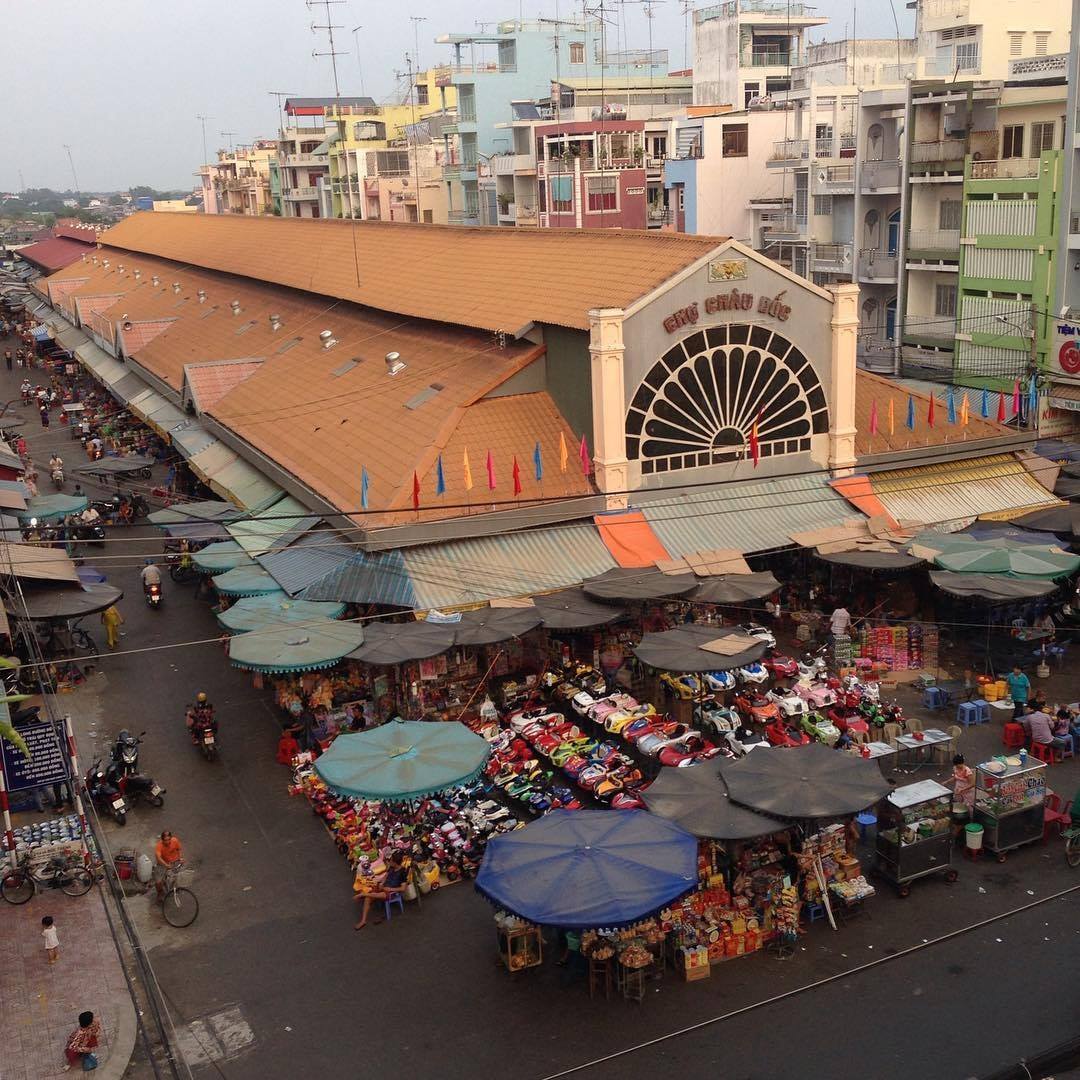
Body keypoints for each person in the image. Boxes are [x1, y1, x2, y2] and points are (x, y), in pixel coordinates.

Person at [354, 850, 410, 929]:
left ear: (395, 862)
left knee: (378, 894)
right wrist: (382, 883)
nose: (389, 862)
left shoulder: (402, 872)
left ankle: (362, 894)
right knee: (368, 897)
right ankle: (363, 920)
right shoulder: (391, 867)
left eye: (391, 861)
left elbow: (403, 888)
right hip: (384, 887)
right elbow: (385, 876)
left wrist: (390, 889)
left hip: (391, 892)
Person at [154, 830, 183, 898]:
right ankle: (160, 893)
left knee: (176, 876)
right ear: (162, 840)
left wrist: (181, 858)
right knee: (158, 881)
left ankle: (173, 887)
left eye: (169, 839)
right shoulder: (159, 846)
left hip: (174, 861)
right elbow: (159, 858)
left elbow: (179, 849)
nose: (167, 842)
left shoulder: (175, 841)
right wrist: (166, 865)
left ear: (171, 838)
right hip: (163, 863)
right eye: (165, 840)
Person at [949, 754, 975, 818]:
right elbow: (955, 777)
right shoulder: (955, 768)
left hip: (968, 792)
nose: (957, 767)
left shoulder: (967, 771)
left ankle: (971, 819)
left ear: (962, 763)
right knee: (959, 804)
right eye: (956, 765)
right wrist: (946, 782)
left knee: (969, 807)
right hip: (958, 790)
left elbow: (973, 784)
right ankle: (961, 817)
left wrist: (963, 789)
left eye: (958, 765)